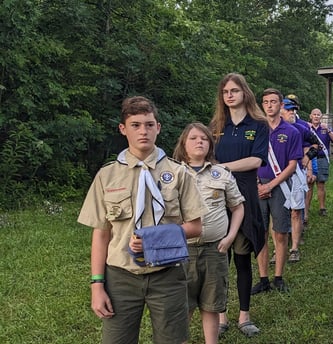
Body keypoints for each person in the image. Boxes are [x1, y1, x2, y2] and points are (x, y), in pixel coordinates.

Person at [79, 96, 206, 344]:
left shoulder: (178, 173)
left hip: (167, 273)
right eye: (135, 125)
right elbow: (101, 233)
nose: (143, 131)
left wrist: (153, 240)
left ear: (158, 127)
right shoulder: (107, 175)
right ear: (123, 129)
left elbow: (195, 227)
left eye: (149, 125)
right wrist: (97, 285)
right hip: (121, 275)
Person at [174, 123, 244, 344]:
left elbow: (238, 207)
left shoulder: (221, 173)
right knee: (182, 306)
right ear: (183, 144)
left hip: (215, 250)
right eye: (194, 138)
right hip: (181, 251)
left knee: (211, 305)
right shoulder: (172, 173)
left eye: (204, 138)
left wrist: (230, 237)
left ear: (210, 145)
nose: (200, 142)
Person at [209, 73, 268, 337]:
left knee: (243, 259)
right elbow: (205, 157)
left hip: (244, 199)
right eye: (225, 92)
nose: (229, 95)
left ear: (245, 92)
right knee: (220, 261)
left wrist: (221, 168)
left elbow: (256, 160)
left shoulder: (258, 124)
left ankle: (244, 316)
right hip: (216, 200)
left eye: (234, 90)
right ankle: (221, 316)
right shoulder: (216, 126)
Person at [251, 88, 303, 295]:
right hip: (257, 185)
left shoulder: (292, 132)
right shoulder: (256, 129)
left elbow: (292, 164)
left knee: (280, 232)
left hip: (280, 185)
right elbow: (251, 159)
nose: (269, 105)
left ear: (281, 105)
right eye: (266, 102)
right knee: (260, 233)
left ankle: (278, 277)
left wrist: (270, 185)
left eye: (273, 102)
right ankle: (263, 278)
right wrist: (257, 184)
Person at [280, 98, 317, 263]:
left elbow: (317, 145)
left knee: (296, 211)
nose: (292, 113)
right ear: (280, 110)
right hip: (277, 176)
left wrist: (307, 158)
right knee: (280, 213)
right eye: (288, 109)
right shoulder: (270, 129)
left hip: (296, 175)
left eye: (294, 110)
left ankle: (294, 248)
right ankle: (279, 246)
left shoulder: (301, 129)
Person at [307, 108, 333, 217]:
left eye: (318, 115)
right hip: (309, 159)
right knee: (309, 184)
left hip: (322, 158)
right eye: (314, 114)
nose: (316, 116)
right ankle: (306, 209)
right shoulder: (306, 128)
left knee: (321, 184)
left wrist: (328, 130)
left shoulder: (326, 128)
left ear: (321, 117)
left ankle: (322, 208)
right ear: (310, 116)